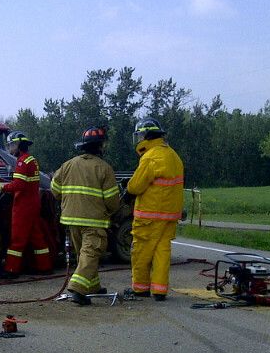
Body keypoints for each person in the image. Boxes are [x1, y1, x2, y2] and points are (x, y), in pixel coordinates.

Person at [50, 126, 121, 305]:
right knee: (92, 252)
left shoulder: (67, 165)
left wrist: (69, 202)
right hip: (94, 220)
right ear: (100, 147)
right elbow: (112, 200)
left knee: (85, 254)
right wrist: (111, 213)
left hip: (71, 219)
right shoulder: (104, 168)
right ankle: (77, 288)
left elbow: (54, 189)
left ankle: (92, 286)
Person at [126, 117, 184, 301]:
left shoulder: (151, 157)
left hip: (149, 216)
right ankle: (160, 290)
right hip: (169, 216)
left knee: (141, 253)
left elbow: (135, 186)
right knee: (162, 253)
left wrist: (126, 188)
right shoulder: (173, 155)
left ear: (147, 135)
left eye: (140, 136)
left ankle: (140, 288)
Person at [0, 131, 52, 277]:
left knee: (17, 239)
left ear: (17, 144)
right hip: (33, 204)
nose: (10, 149)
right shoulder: (31, 160)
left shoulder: (22, 162)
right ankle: (45, 266)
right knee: (37, 238)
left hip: (23, 207)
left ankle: (11, 269)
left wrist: (0, 187)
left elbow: (19, 185)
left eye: (11, 145)